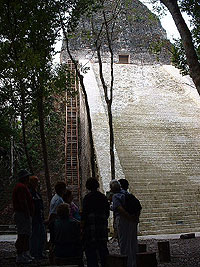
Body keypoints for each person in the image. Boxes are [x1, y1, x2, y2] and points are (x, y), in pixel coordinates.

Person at [110, 179, 139, 267]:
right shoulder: (127, 194)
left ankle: (126, 263)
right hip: (133, 219)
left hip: (123, 220)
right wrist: (134, 218)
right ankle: (134, 262)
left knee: (124, 242)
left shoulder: (116, 196)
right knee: (133, 241)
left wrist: (128, 217)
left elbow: (119, 208)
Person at [82, 177, 110, 267]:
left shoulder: (87, 198)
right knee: (103, 249)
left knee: (91, 251)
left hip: (91, 227)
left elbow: (84, 213)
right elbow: (107, 212)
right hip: (101, 226)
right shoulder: (103, 197)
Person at [12, 169, 34, 264]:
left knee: (25, 234)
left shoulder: (22, 186)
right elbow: (23, 201)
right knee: (23, 235)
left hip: (23, 213)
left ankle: (24, 253)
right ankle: (20, 255)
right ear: (24, 178)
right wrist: (27, 213)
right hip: (22, 214)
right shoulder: (21, 187)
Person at [29, 176, 46, 260]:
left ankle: (39, 252)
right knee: (35, 236)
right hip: (35, 217)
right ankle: (34, 253)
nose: (37, 184)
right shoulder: (30, 193)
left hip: (39, 217)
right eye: (36, 182)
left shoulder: (36, 193)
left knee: (41, 235)